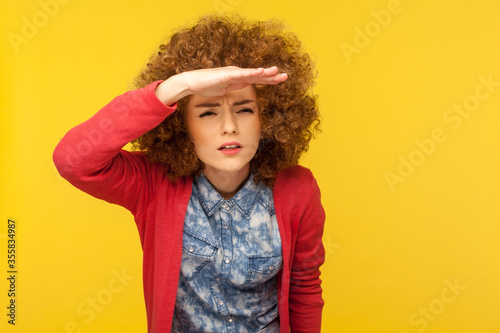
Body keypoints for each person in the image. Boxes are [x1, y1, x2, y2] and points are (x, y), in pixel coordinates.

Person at [53, 14, 325, 333]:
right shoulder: (154, 186)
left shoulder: (298, 188)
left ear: (267, 118)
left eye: (245, 109)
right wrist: (179, 86)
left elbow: (304, 289)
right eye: (208, 112)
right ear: (183, 125)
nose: (229, 126)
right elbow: (73, 160)